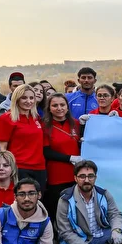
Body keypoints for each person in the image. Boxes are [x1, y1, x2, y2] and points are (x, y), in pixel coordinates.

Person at [56, 160, 122, 244]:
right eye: (82, 176)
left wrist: (116, 230)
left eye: (90, 176)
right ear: (75, 178)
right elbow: (65, 232)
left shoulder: (103, 194)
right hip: (78, 240)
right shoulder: (65, 200)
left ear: (95, 178)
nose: (86, 180)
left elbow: (115, 214)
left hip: (99, 235)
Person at [0, 84, 46, 191]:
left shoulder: (36, 117)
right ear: (17, 99)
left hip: (40, 167)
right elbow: (3, 149)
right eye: (24, 98)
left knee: (39, 198)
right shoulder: (6, 118)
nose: (29, 101)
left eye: (31, 98)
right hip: (20, 167)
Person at [42, 94, 82, 225]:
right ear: (49, 108)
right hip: (56, 176)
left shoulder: (76, 124)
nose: (59, 108)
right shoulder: (45, 126)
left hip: (76, 175)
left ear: (67, 107)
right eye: (55, 105)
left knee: (76, 211)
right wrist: (69, 158)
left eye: (62, 105)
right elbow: (46, 151)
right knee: (58, 211)